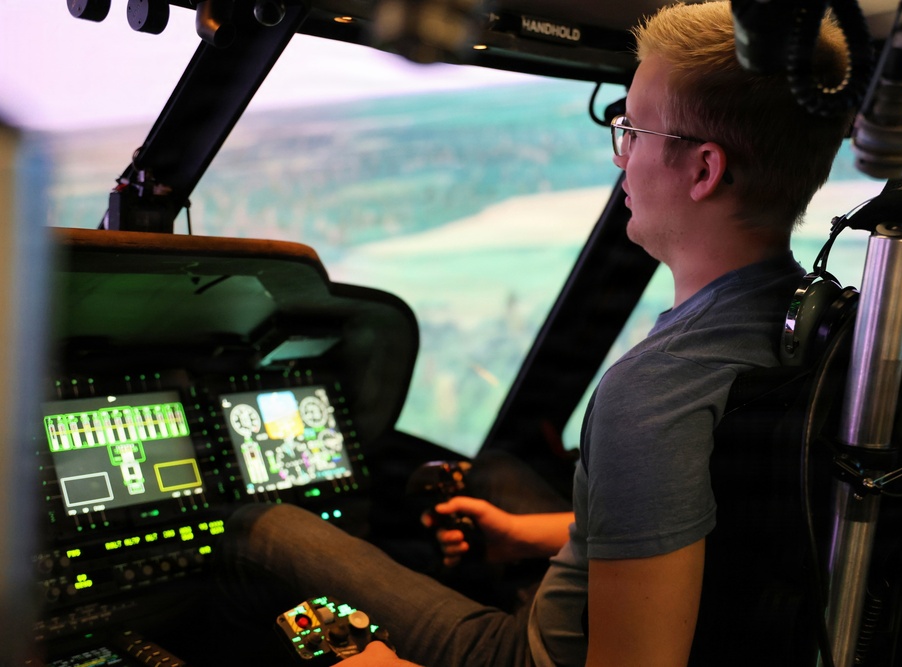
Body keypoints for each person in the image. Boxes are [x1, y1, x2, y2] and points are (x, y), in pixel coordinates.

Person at [213, 3, 852, 665]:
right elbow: (714, 517)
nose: (622, 154)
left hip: (523, 652)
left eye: (633, 129)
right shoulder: (805, 323)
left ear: (703, 170)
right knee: (496, 473)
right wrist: (525, 535)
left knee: (259, 531)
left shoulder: (656, 393)